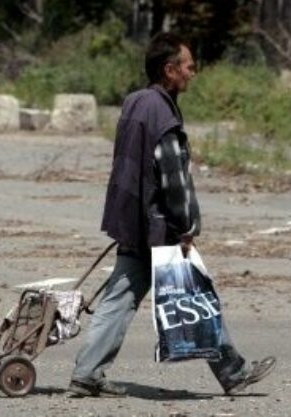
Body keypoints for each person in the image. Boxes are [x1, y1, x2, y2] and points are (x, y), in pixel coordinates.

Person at [67, 32, 275, 398]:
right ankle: (234, 372)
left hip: (133, 220)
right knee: (194, 297)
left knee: (121, 296)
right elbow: (172, 177)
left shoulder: (135, 102)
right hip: (159, 226)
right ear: (170, 70)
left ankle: (86, 372)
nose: (193, 74)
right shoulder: (162, 112)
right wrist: (186, 225)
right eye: (188, 67)